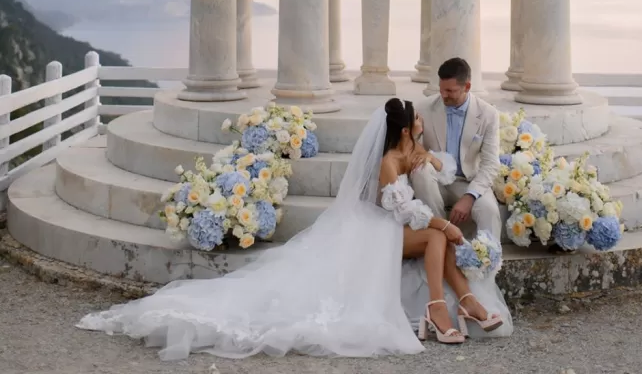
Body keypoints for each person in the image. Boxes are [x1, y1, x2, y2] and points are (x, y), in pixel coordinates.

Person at [78, 98, 511, 360]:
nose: (422, 123)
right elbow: (401, 211)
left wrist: (431, 160)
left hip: (398, 226)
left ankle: (456, 305)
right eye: (416, 121)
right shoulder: (386, 163)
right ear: (404, 128)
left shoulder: (413, 150)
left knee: (441, 236)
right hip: (382, 229)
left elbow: (446, 166)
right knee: (440, 234)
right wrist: (443, 223)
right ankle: (446, 308)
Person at [411, 57, 502, 241]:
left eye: (450, 91)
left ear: (467, 87)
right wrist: (415, 135)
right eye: (441, 89)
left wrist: (469, 196)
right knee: (421, 170)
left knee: (489, 211)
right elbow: (407, 149)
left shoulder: (488, 114)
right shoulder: (423, 107)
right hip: (433, 179)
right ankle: (441, 238)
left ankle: (486, 265)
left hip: (468, 181)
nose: (443, 95)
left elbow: (491, 164)